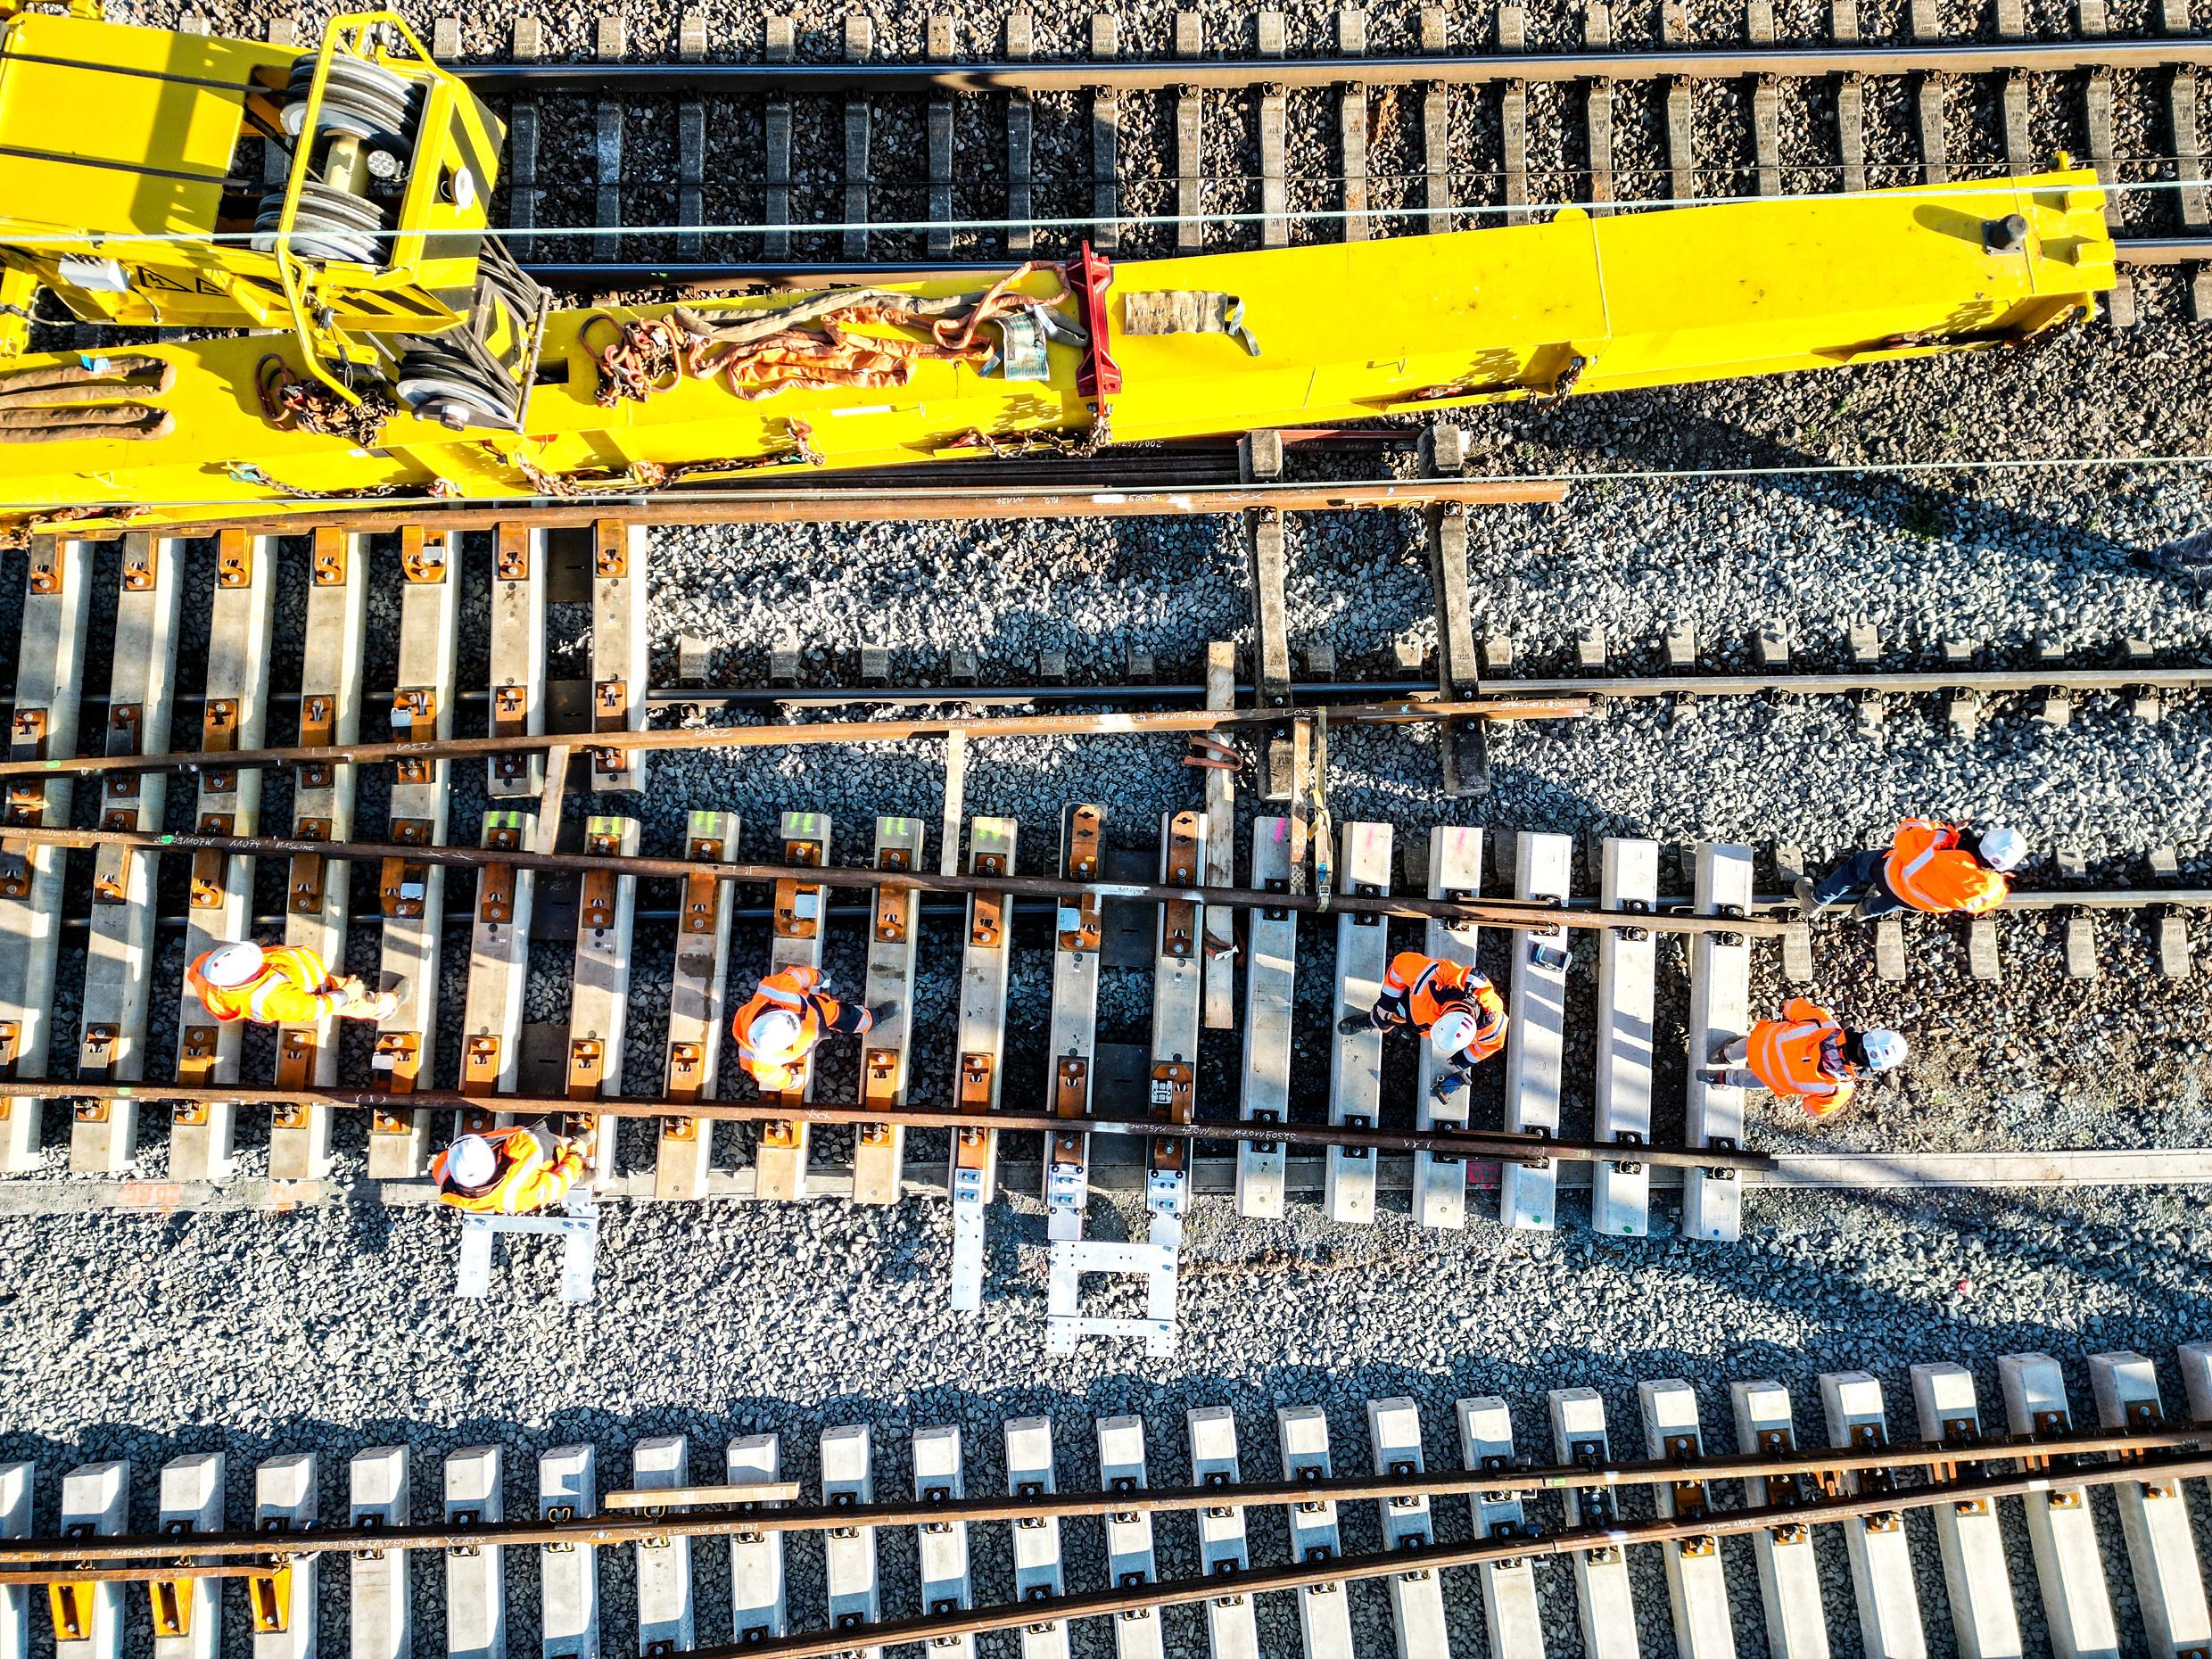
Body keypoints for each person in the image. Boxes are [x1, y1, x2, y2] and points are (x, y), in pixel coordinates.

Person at [1337, 950, 1509, 1102]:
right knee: (1389, 1014)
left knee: (1404, 1017)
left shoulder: (1493, 1028)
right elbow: (1400, 964)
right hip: (1410, 1004)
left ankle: (1391, 1018)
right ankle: (1376, 1020)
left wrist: (1463, 1059)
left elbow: (1489, 1046)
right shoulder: (1431, 980)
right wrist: (1387, 1002)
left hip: (1423, 1019)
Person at [1704, 996, 1906, 1118]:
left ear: (1865, 1034)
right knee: (1761, 1078)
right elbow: (1811, 1109)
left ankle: (1724, 1054)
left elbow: (1791, 1005)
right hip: (1768, 1077)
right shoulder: (1839, 1089)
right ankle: (1723, 1079)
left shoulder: (1823, 1023)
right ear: (1872, 1068)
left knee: (1750, 1044)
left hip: (1758, 1043)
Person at [1795, 820, 2026, 921]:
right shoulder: (1992, 890)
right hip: (1917, 901)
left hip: (1888, 874)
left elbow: (1907, 831)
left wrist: (1948, 831)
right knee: (1889, 902)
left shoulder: (1937, 846)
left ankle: (1815, 901)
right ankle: (1862, 912)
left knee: (1855, 867)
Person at [731, 964, 896, 1094]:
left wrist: (819, 977)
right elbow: (773, 1075)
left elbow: (797, 976)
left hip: (818, 1010)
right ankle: (868, 1019)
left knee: (847, 1016)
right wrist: (791, 1082)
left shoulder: (776, 990)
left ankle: (873, 1018)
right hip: (806, 1039)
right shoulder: (756, 1061)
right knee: (841, 1017)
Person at [186, 940, 396, 1026]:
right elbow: (313, 1007)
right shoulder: (272, 997)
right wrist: (346, 994)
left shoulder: (208, 966)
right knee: (343, 995)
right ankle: (376, 1008)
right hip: (314, 987)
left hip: (291, 974)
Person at [432, 1122, 594, 1215]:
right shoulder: (520, 1190)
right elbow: (559, 1183)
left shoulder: (444, 1165)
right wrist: (575, 1153)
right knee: (544, 1146)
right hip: (546, 1158)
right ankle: (580, 1175)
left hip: (503, 1187)